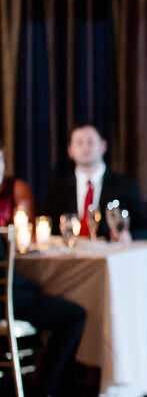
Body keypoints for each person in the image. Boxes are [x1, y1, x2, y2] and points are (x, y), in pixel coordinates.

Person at [0, 141, 87, 397]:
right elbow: (8, 281)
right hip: (9, 299)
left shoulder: (15, 189)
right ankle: (47, 389)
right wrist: (36, 287)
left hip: (13, 290)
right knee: (74, 314)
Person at [45, 124, 147, 240]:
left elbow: (144, 229)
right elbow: (48, 228)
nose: (85, 148)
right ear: (70, 150)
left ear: (103, 146)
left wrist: (129, 236)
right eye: (79, 143)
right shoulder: (58, 189)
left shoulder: (125, 185)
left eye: (90, 142)